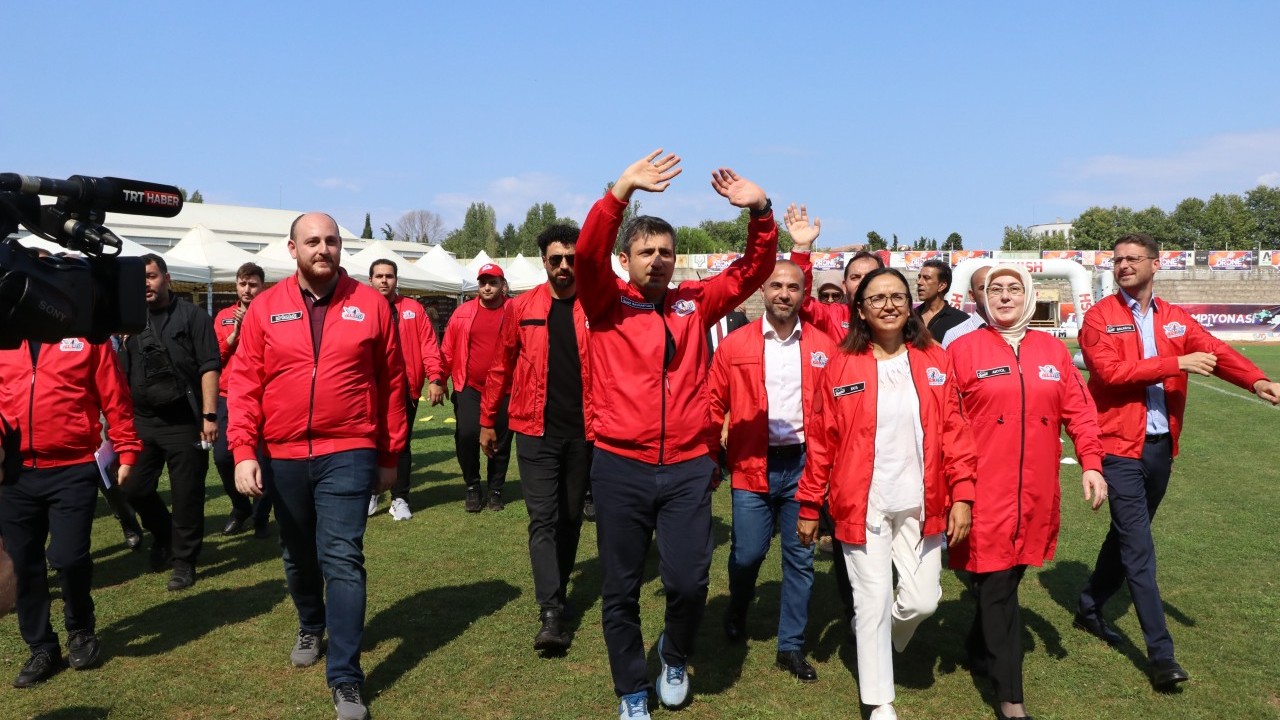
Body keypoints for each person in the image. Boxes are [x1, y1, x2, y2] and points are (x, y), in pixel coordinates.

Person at [577, 150, 777, 720]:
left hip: (689, 464)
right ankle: (631, 690)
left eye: (667, 252)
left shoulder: (695, 303)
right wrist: (618, 194)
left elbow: (751, 271)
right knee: (619, 588)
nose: (658, 260)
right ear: (626, 259)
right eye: (647, 252)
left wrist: (760, 211)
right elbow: (588, 254)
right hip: (621, 463)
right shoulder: (604, 300)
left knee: (689, 582)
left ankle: (673, 651)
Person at [1073, 233, 1280, 690]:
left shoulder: (1174, 317)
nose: (1123, 266)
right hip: (1117, 447)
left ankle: (1089, 605)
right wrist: (1175, 364)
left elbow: (1215, 352)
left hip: (1161, 446)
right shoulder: (1099, 318)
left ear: (1155, 263)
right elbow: (1109, 373)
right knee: (1140, 549)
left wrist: (1257, 381)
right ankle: (1161, 656)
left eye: (1132, 259)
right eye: (1117, 260)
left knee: (1127, 535)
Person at [229, 212, 407, 720]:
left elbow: (393, 382)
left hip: (349, 450)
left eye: (331, 241)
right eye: (312, 241)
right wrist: (244, 451)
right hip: (282, 453)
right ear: (292, 250)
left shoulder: (371, 305)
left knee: (343, 559)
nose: (323, 249)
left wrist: (389, 455)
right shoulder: (265, 307)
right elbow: (243, 384)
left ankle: (346, 680)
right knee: (297, 555)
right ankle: (312, 622)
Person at [796, 267, 977, 720]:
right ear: (860, 309)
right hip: (863, 504)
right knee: (871, 599)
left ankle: (884, 635)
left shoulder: (934, 358)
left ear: (909, 304)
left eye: (897, 295)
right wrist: (809, 502)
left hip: (923, 500)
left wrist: (962, 495)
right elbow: (821, 440)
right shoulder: (841, 364)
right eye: (877, 298)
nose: (889, 305)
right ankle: (879, 699)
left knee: (922, 599)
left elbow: (955, 431)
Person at [947, 265, 1108, 720]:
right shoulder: (961, 350)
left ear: (1030, 296)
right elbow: (946, 423)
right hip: (983, 490)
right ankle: (1011, 699)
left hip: (1036, 489)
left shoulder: (1053, 351)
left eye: (1013, 289)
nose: (1003, 296)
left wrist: (1091, 463)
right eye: (994, 289)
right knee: (997, 584)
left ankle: (978, 648)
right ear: (981, 299)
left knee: (1010, 573)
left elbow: (1079, 412)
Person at [709, 261, 836, 683]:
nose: (784, 293)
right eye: (776, 286)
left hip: (804, 465)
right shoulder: (736, 344)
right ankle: (738, 608)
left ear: (804, 293)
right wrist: (711, 456)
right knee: (746, 554)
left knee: (800, 559)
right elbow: (713, 402)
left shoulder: (823, 345)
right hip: (751, 464)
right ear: (763, 290)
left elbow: (836, 411)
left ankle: (791, 646)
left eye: (793, 287)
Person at [0, 336, 141, 687]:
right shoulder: (4, 335)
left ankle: (80, 627)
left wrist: (126, 447)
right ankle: (41, 647)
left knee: (69, 557)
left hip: (73, 466)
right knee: (23, 563)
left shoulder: (85, 337)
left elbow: (114, 394)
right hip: (14, 472)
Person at [480, 224, 594, 654]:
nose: (564, 266)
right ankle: (551, 614)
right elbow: (501, 364)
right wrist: (489, 420)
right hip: (533, 428)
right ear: (543, 261)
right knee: (542, 519)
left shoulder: (596, 306)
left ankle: (557, 591)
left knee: (568, 519)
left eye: (571, 258)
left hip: (585, 431)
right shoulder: (521, 306)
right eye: (555, 259)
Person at [120, 254, 220, 592]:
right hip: (143, 422)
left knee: (187, 495)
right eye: (140, 279)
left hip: (184, 422)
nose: (145, 284)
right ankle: (164, 534)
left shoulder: (194, 317)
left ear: (167, 279)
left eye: (150, 276)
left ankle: (183, 562)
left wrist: (209, 415)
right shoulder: (130, 320)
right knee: (132, 486)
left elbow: (209, 366)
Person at [367, 258, 446, 521]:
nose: (384, 280)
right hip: (369, 390)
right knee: (368, 444)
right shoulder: (361, 310)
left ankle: (400, 498)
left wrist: (435, 378)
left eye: (389, 276)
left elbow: (428, 345)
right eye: (379, 276)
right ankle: (371, 492)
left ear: (396, 280)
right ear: (370, 280)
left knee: (400, 445)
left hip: (405, 390)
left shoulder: (413, 309)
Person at [441, 263, 513, 512]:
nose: (487, 287)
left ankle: (495, 489)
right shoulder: (462, 312)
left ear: (502, 285)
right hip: (470, 386)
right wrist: (439, 379)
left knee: (501, 440)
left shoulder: (515, 310)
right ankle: (472, 485)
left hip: (506, 388)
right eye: (483, 282)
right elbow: (448, 349)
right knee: (467, 434)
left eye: (493, 282)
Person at [213, 262, 273, 538]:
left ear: (262, 286)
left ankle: (261, 515)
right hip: (229, 396)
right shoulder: (224, 316)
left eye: (253, 284)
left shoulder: (273, 313)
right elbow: (216, 358)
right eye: (242, 284)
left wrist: (253, 323)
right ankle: (240, 507)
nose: (247, 290)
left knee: (264, 457)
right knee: (224, 456)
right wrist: (235, 333)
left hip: (265, 395)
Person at [787, 203, 884, 341]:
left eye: (869, 276)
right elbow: (801, 302)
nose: (863, 282)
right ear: (844, 286)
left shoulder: (898, 316)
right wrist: (802, 249)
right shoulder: (833, 316)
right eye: (855, 277)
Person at [916, 259, 969, 340]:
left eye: (926, 278)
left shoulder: (961, 320)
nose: (919, 282)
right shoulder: (910, 316)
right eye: (919, 277)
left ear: (942, 286)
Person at [940, 265, 991, 349]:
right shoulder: (954, 336)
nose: (990, 292)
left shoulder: (1014, 332)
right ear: (972, 295)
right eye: (983, 288)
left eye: (996, 288)